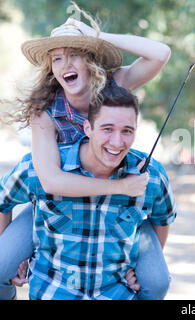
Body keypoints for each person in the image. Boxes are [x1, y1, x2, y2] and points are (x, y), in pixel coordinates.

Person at [0, 3, 171, 300]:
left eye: (75, 55)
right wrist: (120, 186)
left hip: (117, 207)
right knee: (2, 266)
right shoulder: (46, 112)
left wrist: (95, 34)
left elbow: (160, 53)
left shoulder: (114, 86)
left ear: (91, 61)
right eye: (57, 59)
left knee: (155, 281)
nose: (65, 64)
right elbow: (51, 181)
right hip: (57, 205)